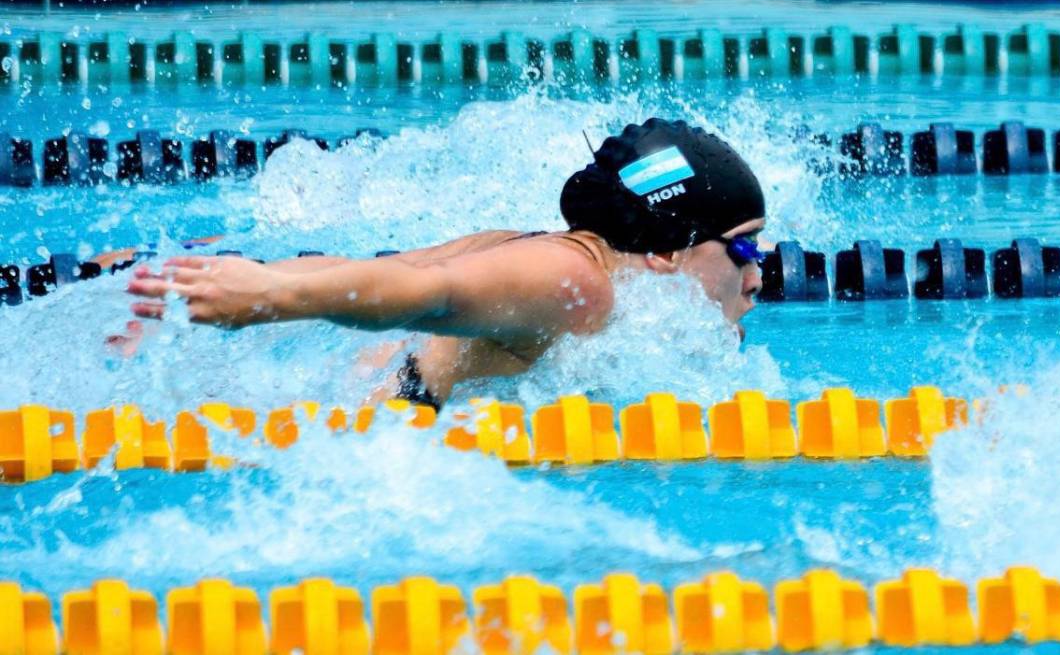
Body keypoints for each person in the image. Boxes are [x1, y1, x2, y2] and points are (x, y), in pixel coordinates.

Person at [122, 118, 767, 411]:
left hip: (356, 405)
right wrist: (267, 297)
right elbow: (425, 291)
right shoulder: (577, 284)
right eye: (742, 248)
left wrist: (225, 279)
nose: (758, 273)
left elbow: (368, 265)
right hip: (384, 423)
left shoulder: (551, 254)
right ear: (660, 253)